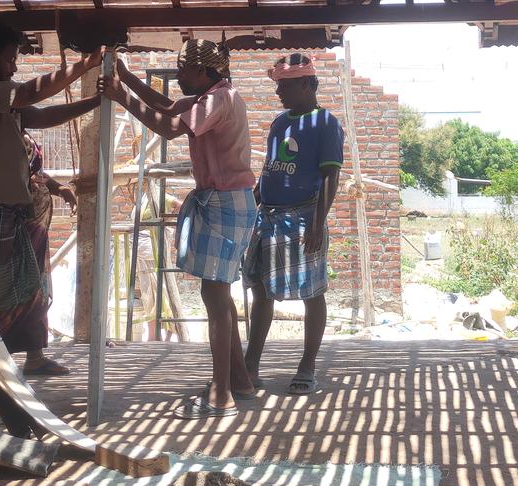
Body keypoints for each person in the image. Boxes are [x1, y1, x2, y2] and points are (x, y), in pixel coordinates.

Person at [101, 39, 257, 416]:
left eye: (183, 70)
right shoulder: (216, 94)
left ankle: (220, 395)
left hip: (224, 203)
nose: (179, 77)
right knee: (219, 296)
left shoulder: (217, 99)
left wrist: (122, 97)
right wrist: (127, 79)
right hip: (231, 201)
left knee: (215, 298)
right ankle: (240, 381)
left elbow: (169, 127)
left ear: (203, 71)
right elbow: (169, 106)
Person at [0, 24, 100, 375]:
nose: (14, 68)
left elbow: (37, 116)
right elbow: (28, 95)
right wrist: (81, 67)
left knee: (27, 289)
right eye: (10, 60)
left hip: (9, 211)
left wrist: (95, 102)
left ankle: (23, 359)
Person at [242, 54, 344, 394]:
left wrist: (318, 222)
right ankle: (250, 365)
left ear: (308, 84)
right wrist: (255, 200)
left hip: (304, 217)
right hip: (267, 217)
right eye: (277, 86)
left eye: (285, 86)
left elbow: (331, 176)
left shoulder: (326, 123)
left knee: (312, 292)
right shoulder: (279, 123)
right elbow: (271, 168)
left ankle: (307, 364)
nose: (279, 93)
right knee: (261, 290)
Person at [23, 129, 78, 337]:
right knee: (24, 288)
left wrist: (60, 189)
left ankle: (35, 353)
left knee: (37, 286)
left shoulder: (19, 126)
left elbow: (34, 173)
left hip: (35, 229)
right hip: (14, 225)